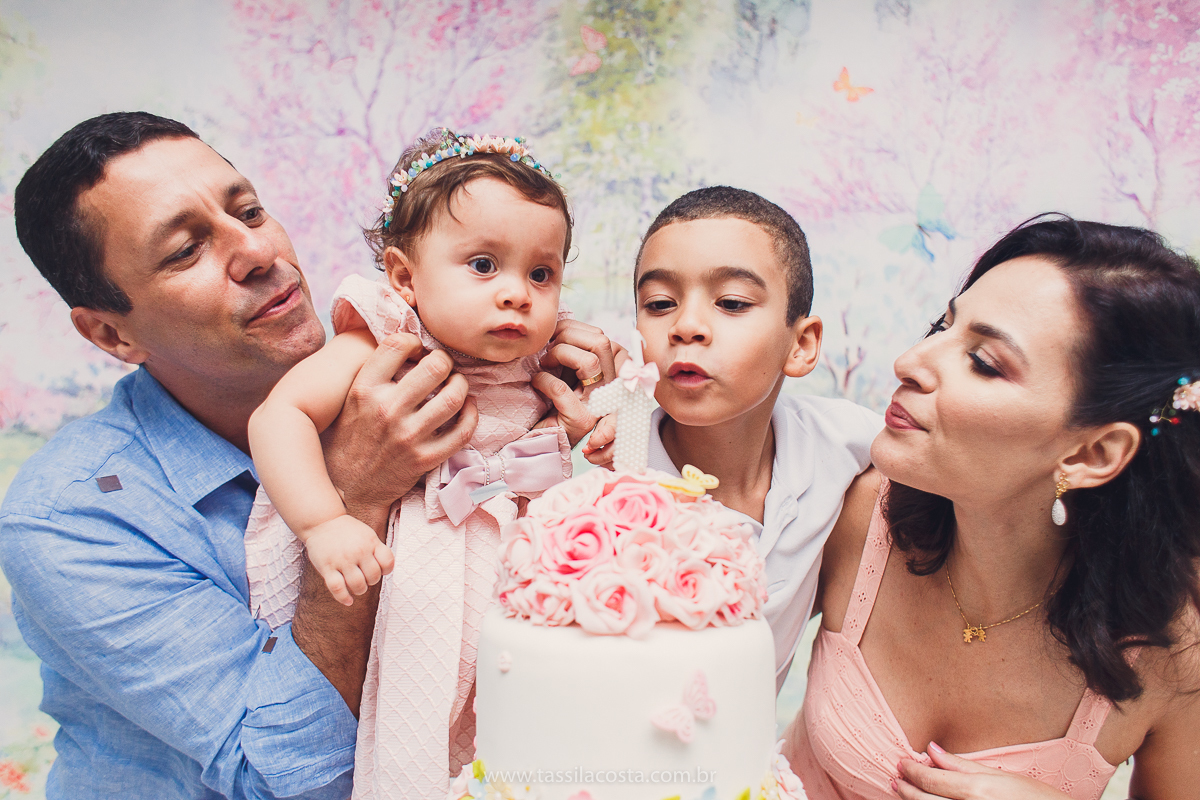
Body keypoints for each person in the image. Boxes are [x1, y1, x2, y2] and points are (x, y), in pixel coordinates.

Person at [0, 112, 614, 799]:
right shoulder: (69, 521)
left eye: (249, 211)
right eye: (186, 250)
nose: (256, 252)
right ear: (113, 335)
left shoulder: (407, 362)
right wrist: (353, 496)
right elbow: (281, 782)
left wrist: (563, 394)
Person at [784, 216, 1200, 800]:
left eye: (983, 360)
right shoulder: (853, 515)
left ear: (1093, 453)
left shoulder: (1171, 649)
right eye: (941, 325)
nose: (910, 360)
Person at [244, 127, 601, 799]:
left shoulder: (545, 354)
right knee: (419, 729)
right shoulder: (383, 342)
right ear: (405, 278)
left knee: (529, 736)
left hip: (520, 573)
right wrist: (324, 523)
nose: (518, 293)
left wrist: (600, 424)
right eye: (484, 265)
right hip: (418, 575)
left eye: (541, 273)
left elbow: (595, 427)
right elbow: (278, 416)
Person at [588, 186, 883, 689]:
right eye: (659, 304)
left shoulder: (840, 441)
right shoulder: (611, 491)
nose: (686, 326)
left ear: (801, 345)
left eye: (731, 302)